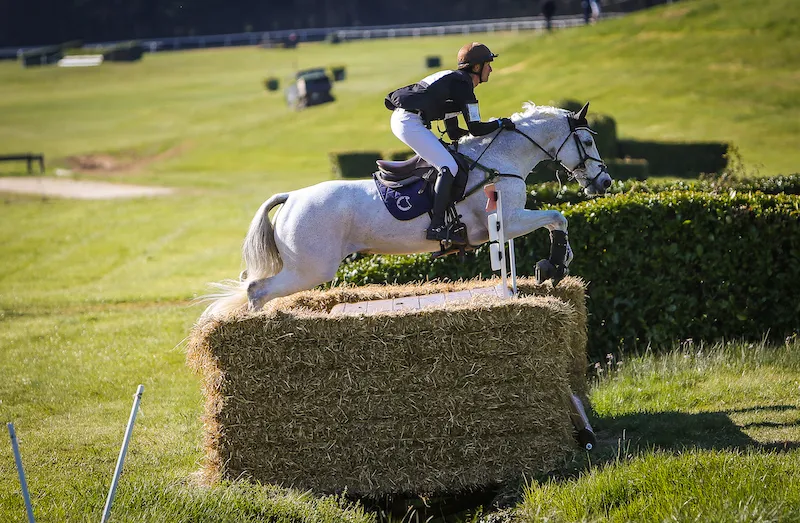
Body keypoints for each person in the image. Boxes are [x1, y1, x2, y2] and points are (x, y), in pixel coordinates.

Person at [384, 42, 515, 243]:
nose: (491, 69)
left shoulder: (455, 82)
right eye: (488, 64)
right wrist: (500, 123)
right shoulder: (463, 86)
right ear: (477, 67)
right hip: (409, 122)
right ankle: (436, 226)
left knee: (450, 161)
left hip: (407, 119)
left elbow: (454, 132)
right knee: (448, 166)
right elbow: (476, 129)